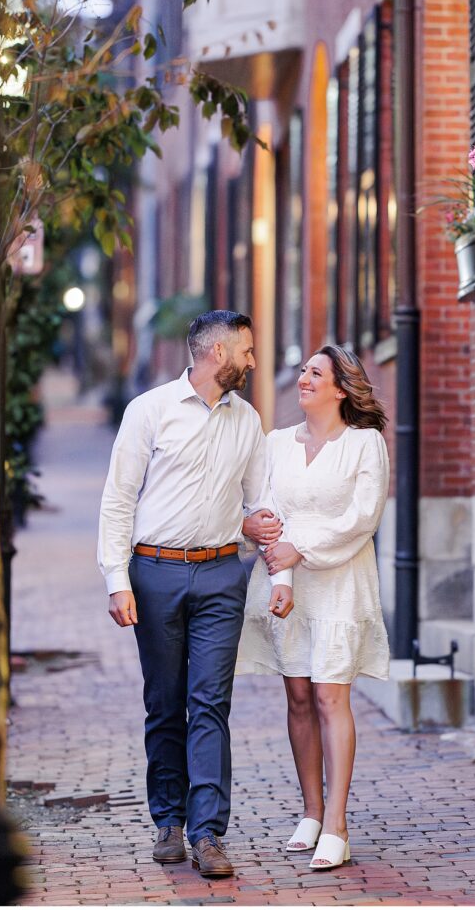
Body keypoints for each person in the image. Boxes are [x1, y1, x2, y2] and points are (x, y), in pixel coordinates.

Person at [97, 310, 293, 878]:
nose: (255, 361)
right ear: (216, 354)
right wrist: (117, 579)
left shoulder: (247, 421)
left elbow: (262, 509)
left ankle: (208, 832)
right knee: (165, 703)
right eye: (247, 351)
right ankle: (168, 822)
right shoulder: (149, 411)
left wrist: (277, 573)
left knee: (210, 702)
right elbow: (118, 500)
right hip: (154, 573)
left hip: (220, 577)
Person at [236, 345, 390, 870]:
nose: (303, 378)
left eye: (315, 373)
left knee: (330, 697)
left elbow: (361, 517)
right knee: (298, 695)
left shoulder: (364, 444)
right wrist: (281, 570)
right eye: (303, 370)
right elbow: (264, 511)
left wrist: (301, 547)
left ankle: (339, 826)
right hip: (287, 586)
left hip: (341, 582)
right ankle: (310, 812)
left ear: (341, 389)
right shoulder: (276, 444)